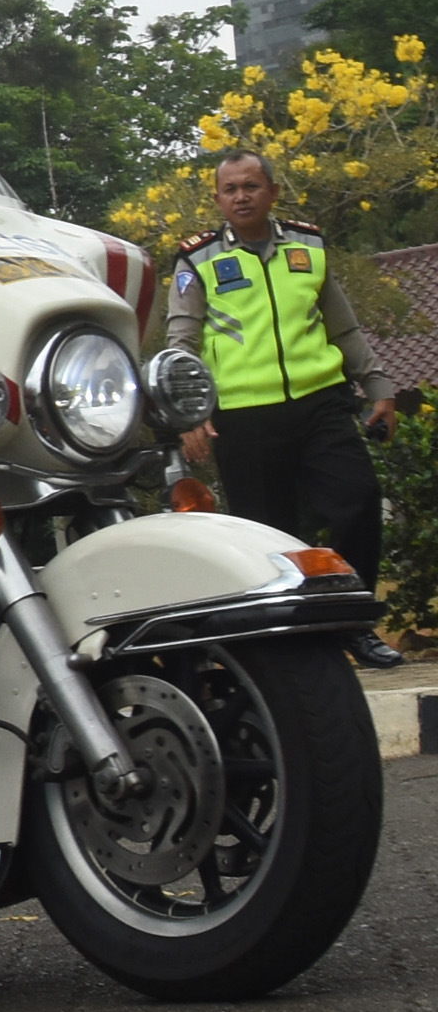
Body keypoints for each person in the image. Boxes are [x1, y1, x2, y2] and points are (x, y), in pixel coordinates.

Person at [167, 147, 405, 671]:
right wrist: (190, 411)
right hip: (244, 419)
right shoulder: (197, 259)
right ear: (217, 198)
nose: (241, 196)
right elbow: (181, 342)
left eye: (251, 186)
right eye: (230, 189)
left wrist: (379, 387)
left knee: (358, 498)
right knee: (265, 534)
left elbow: (342, 327)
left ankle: (354, 624)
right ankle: (285, 649)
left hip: (320, 404)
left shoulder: (308, 245)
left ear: (273, 192)